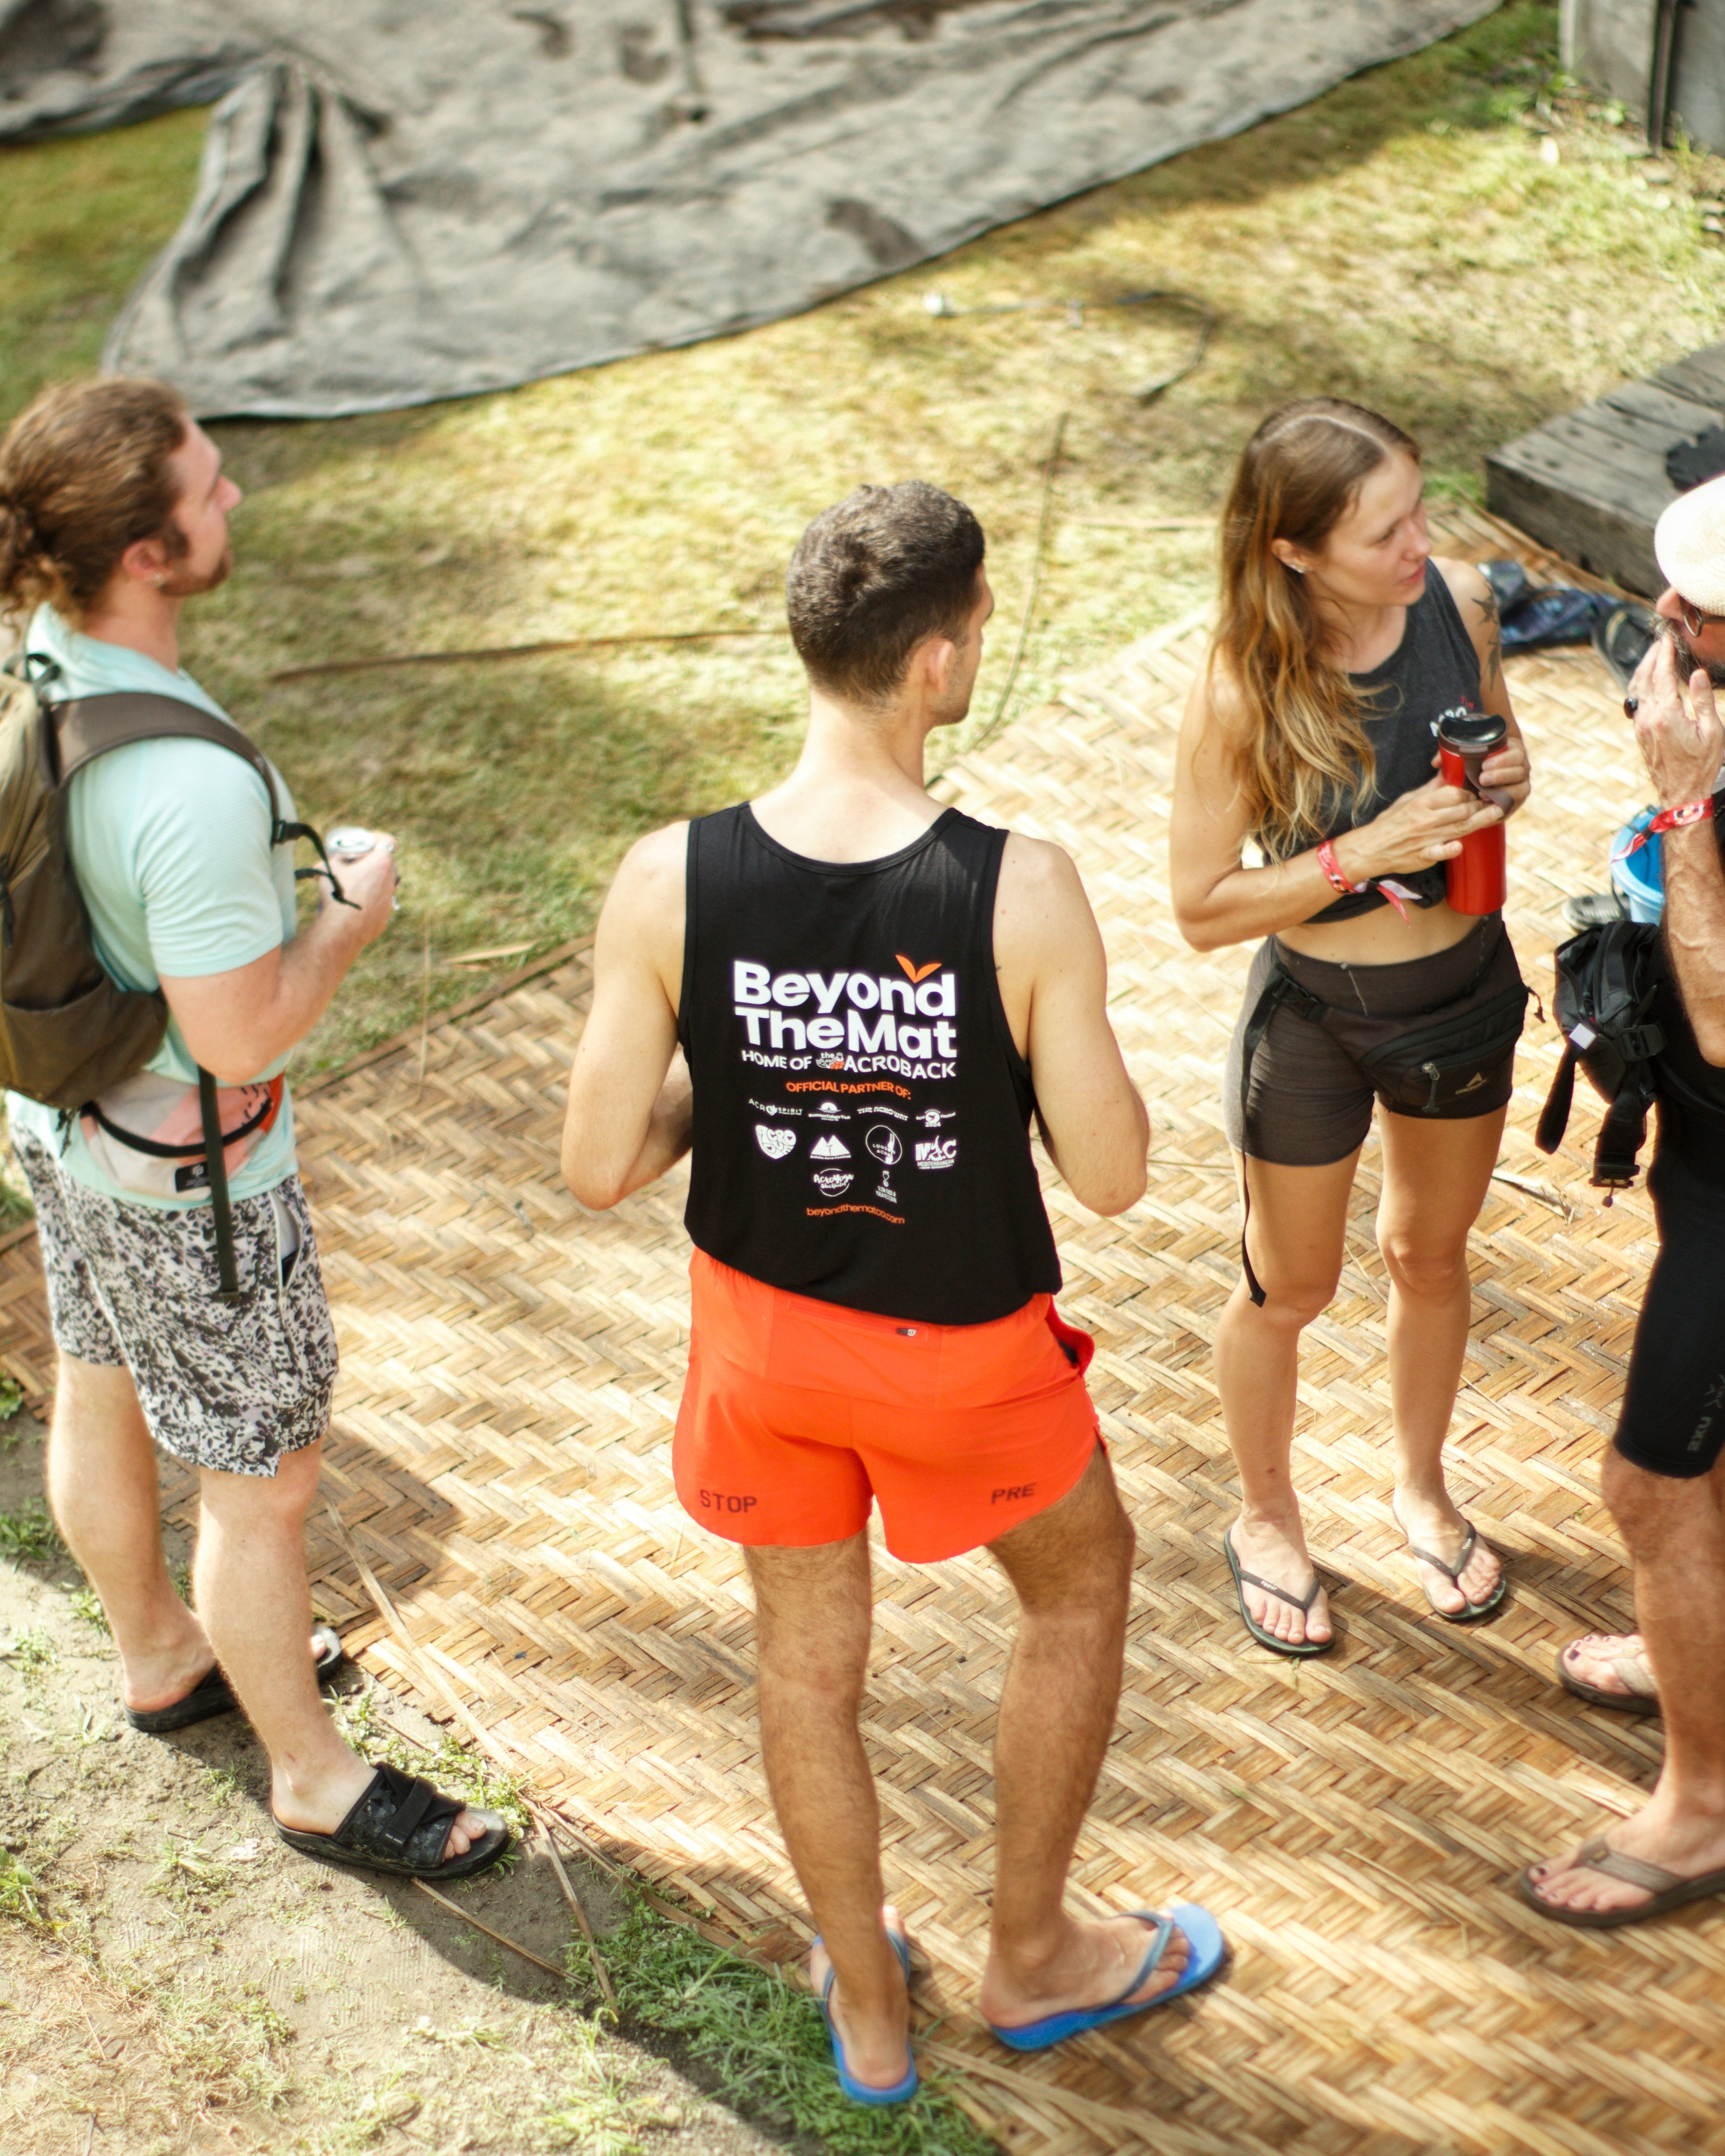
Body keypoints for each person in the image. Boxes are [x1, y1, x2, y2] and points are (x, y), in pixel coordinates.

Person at [563, 482, 1225, 2101]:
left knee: (804, 1666)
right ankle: (1031, 1955)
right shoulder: (1020, 888)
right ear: (935, 662)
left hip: (760, 1347)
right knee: (1077, 1583)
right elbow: (1115, 1170)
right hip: (960, 1351)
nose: (983, 640)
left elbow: (598, 1162)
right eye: (981, 621)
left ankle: (864, 1999)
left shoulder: (670, 880)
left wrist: (756, 1062)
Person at [0, 379, 505, 1880]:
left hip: (54, 1121)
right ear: (147, 554)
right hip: (191, 1186)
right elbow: (237, 1035)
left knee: (94, 1376)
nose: (234, 503)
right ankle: (314, 1778)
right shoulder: (185, 791)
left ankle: (163, 1655)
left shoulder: (37, 659)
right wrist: (344, 925)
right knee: (261, 1477)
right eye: (210, 492)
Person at [1169, 398, 1532, 1653]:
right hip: (1316, 1015)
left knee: (1428, 1258)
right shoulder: (1241, 685)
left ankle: (1420, 1487)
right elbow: (1199, 907)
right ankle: (1265, 1516)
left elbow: (1500, 741)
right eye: (1383, 531)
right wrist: (1358, 852)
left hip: (1462, 993)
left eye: (1417, 509)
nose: (1416, 544)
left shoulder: (1462, 602)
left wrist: (1507, 777)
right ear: (1292, 551)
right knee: (1290, 1285)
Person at [1523, 474, 1725, 1926]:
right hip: (1703, 1159)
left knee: (1647, 1486)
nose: (1662, 620)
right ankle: (1700, 1647)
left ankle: (1705, 1808)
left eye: (1697, 610)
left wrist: (1680, 803)